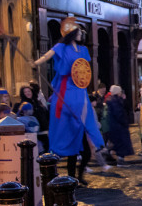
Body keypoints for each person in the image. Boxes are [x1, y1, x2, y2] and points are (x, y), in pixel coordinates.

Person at [32, 17, 105, 186]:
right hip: (66, 89)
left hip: (80, 90)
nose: (81, 34)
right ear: (72, 33)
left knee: (84, 123)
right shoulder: (61, 47)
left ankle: (79, 172)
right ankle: (69, 174)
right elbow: (47, 55)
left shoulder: (83, 50)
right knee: (70, 127)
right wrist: (36, 63)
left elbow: (85, 71)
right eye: (79, 31)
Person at [104, 85, 134, 164]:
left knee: (117, 143)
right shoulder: (116, 101)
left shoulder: (112, 100)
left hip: (115, 126)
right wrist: (125, 122)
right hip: (119, 127)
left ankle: (110, 154)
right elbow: (119, 114)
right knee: (121, 144)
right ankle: (120, 160)